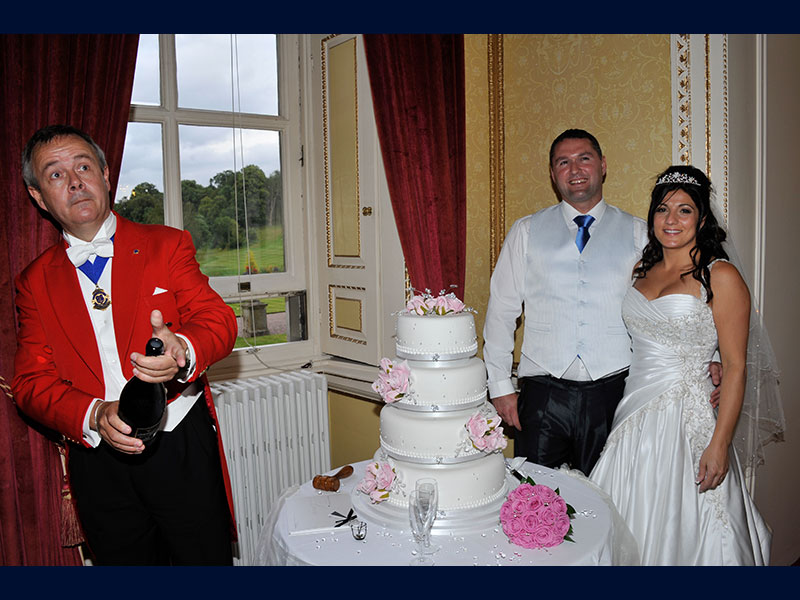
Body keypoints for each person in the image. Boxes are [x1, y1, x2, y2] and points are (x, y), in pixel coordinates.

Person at [11, 125, 239, 565]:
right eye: (55, 174)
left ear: (105, 173)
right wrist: (94, 413)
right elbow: (30, 382)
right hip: (97, 458)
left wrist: (183, 349)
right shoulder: (33, 282)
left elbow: (217, 319)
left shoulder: (167, 244)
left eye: (83, 166)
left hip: (180, 446)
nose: (75, 181)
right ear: (39, 197)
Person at [589, 165, 774, 565]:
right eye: (662, 209)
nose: (671, 220)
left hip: (687, 424)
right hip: (633, 418)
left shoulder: (719, 276)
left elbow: (737, 366)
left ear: (702, 219)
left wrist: (720, 444)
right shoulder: (642, 271)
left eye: (684, 210)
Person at [483, 129, 648, 475]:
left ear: (602, 166)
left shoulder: (639, 232)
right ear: (553, 173)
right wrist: (500, 387)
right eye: (563, 162)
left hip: (614, 390)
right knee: (535, 502)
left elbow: (668, 302)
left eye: (584, 158)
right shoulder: (526, 231)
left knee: (608, 498)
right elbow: (501, 312)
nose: (574, 169)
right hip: (543, 393)